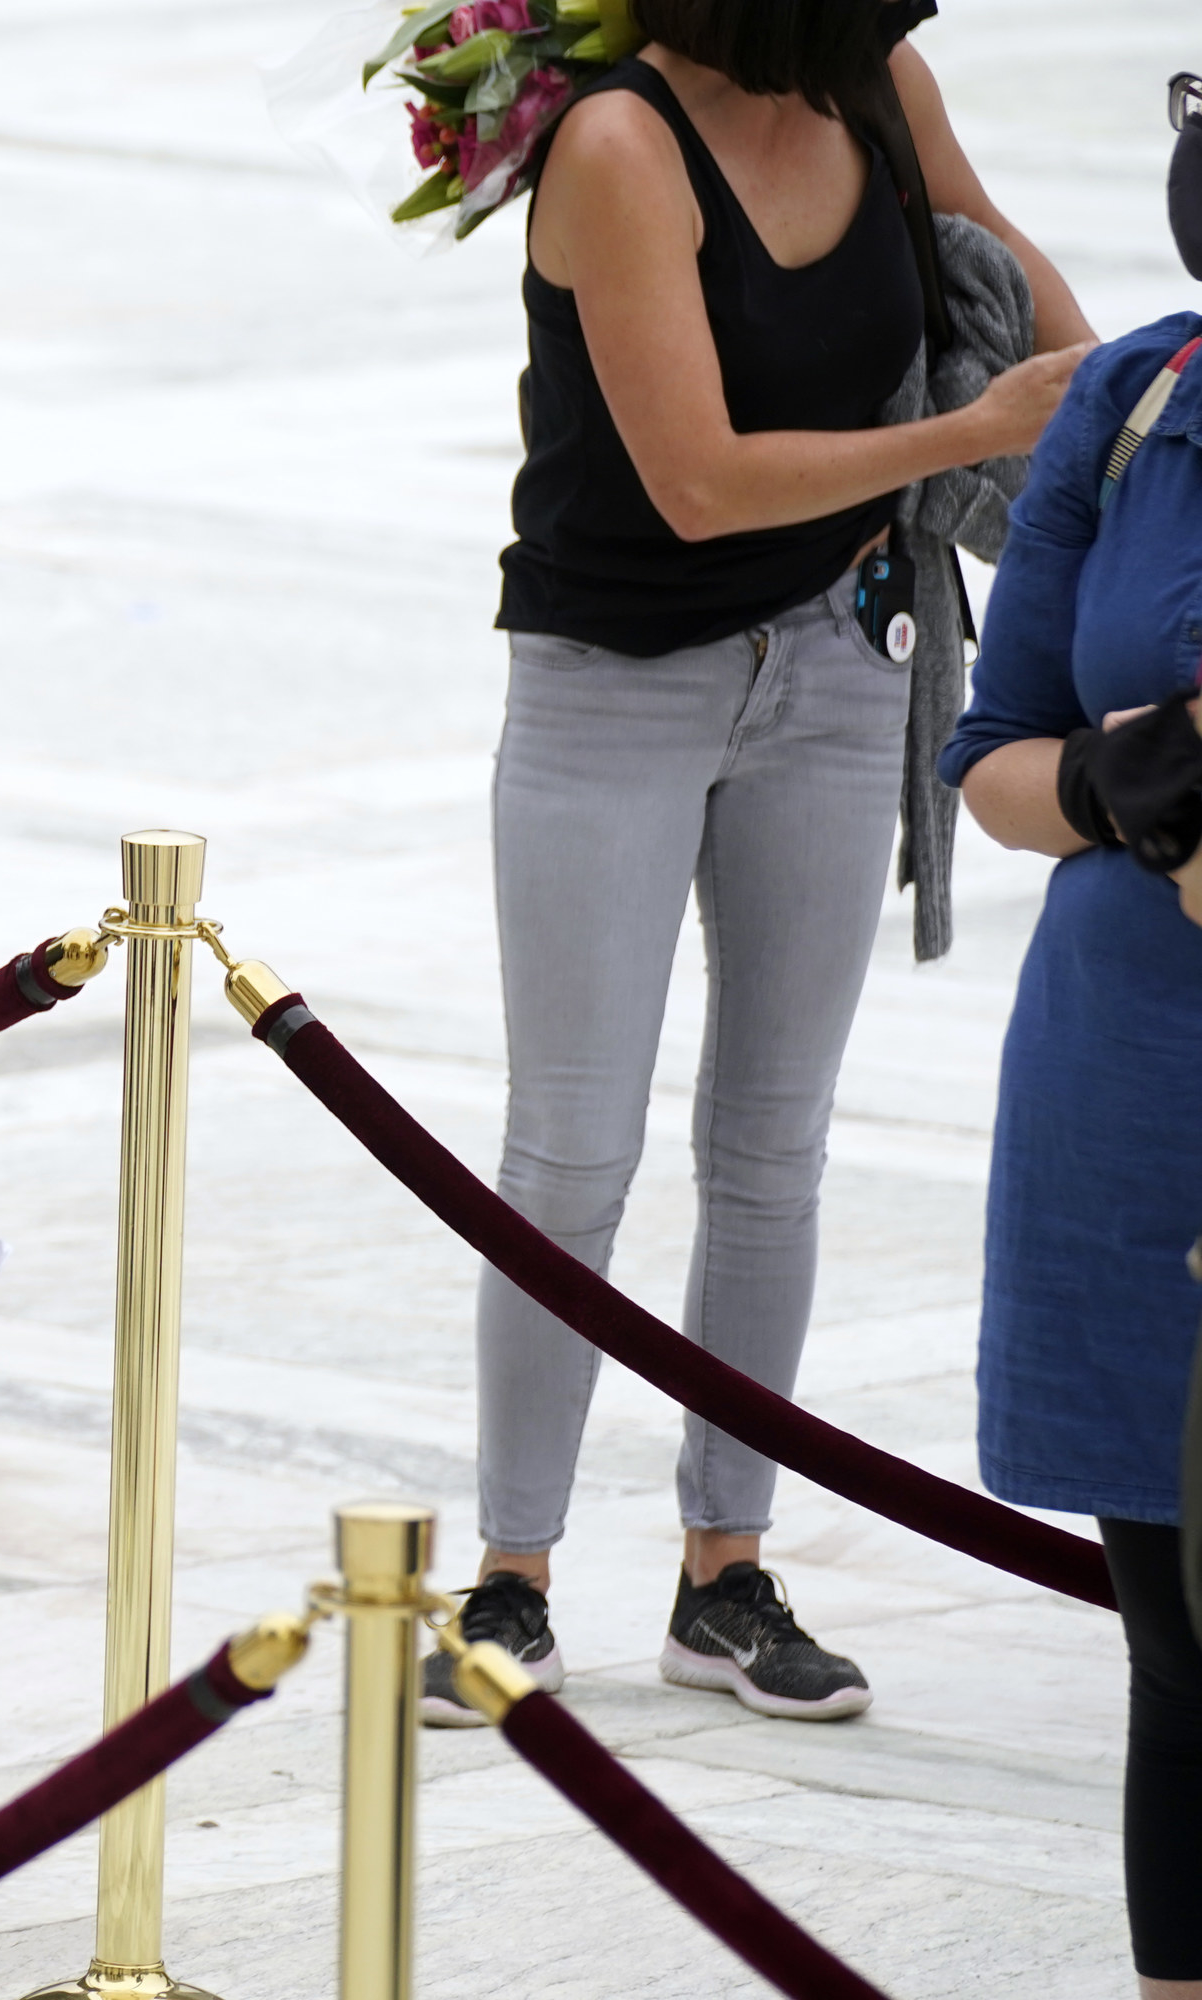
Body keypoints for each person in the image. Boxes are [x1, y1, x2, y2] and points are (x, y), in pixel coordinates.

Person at [422, 0, 1099, 1732]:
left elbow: (1020, 291)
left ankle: (727, 1571)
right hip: (612, 687)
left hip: (839, 660)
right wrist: (967, 440)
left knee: (774, 1142)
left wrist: (1120, 397)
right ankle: (513, 1572)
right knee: (570, 1146)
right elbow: (700, 479)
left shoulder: (876, 91)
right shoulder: (620, 141)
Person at [934, 68, 1202, 1999]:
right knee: (1180, 1638)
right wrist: (1125, 791)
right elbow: (992, 760)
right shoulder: (1132, 406)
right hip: (1130, 1094)